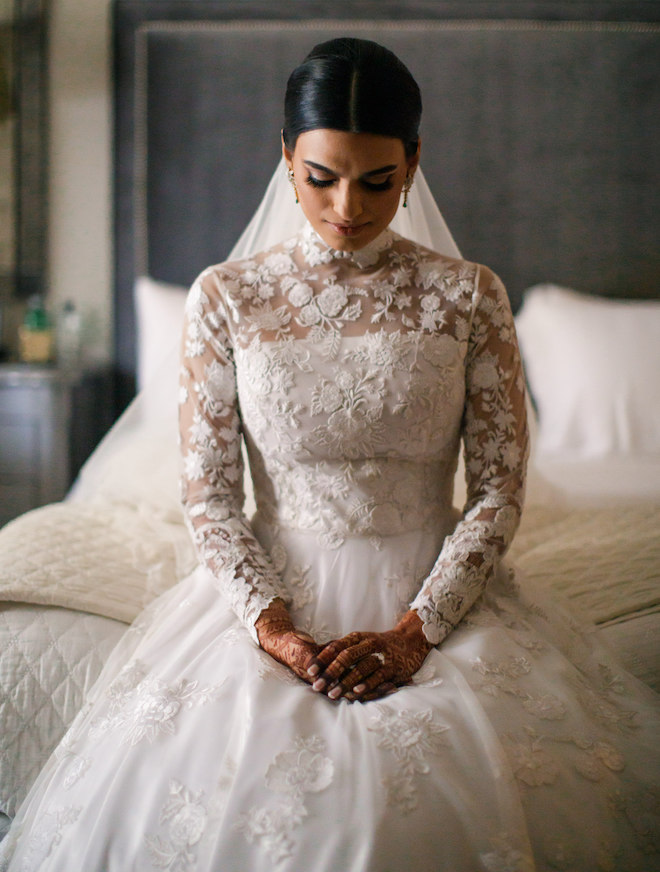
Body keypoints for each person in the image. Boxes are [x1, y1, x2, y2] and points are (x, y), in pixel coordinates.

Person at [1, 37, 659, 872]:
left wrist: (421, 631)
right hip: (272, 599)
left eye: (377, 180)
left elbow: (497, 488)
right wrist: (271, 627)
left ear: (414, 161)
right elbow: (207, 495)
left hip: (432, 592)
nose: (348, 205)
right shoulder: (226, 298)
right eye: (322, 178)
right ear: (286, 160)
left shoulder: (469, 296)